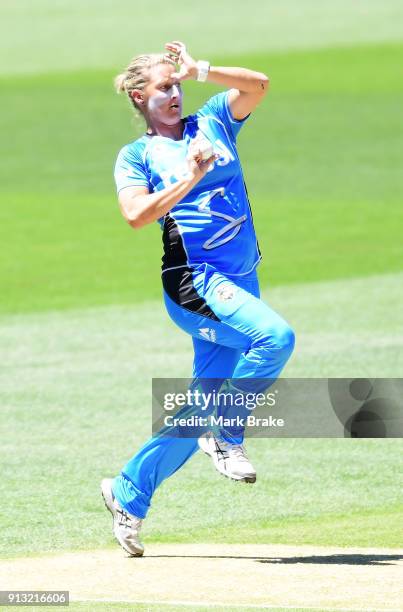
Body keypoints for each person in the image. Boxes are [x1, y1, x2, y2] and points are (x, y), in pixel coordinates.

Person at [101, 41, 295, 556]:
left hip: (240, 281)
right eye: (164, 87)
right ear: (140, 97)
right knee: (275, 338)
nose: (175, 94)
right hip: (196, 283)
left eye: (178, 84)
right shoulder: (137, 155)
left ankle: (128, 492)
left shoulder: (213, 121)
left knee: (198, 408)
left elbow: (259, 85)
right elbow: (136, 215)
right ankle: (227, 435)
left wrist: (201, 69)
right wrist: (191, 178)